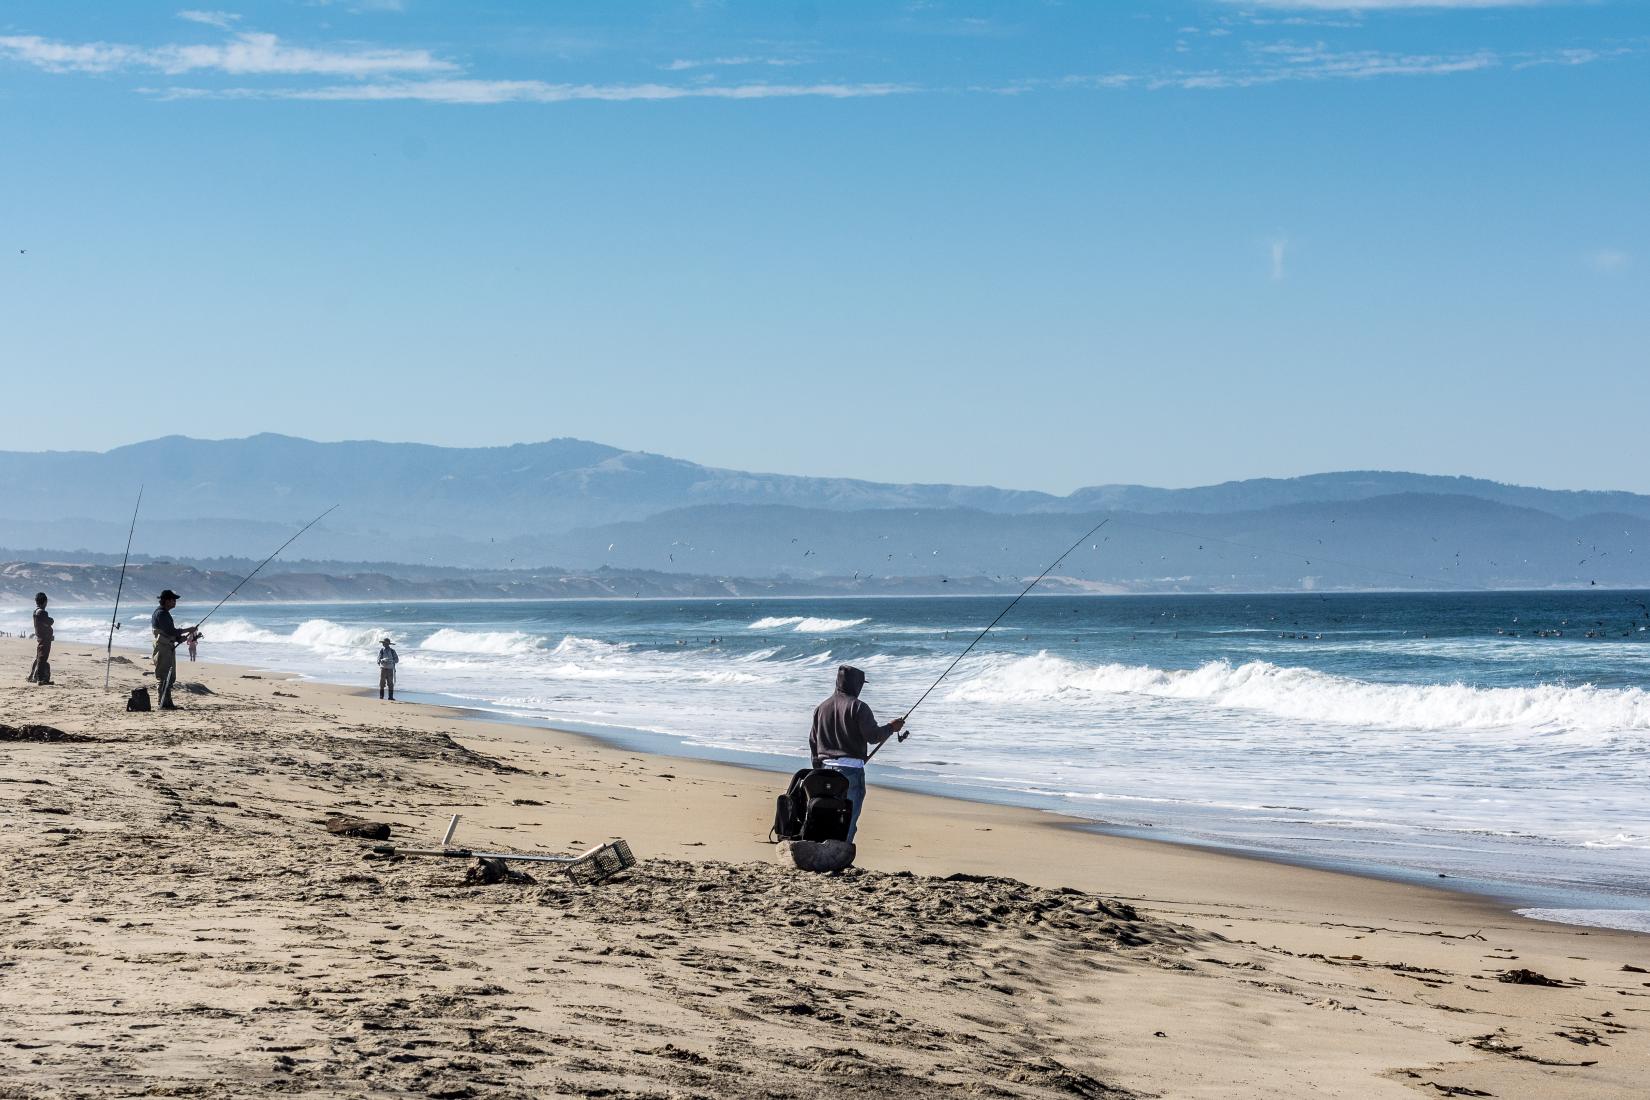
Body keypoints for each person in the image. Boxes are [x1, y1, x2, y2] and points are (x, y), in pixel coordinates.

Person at [807, 664, 904, 843]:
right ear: (855, 685)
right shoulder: (859, 707)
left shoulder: (821, 708)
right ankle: (840, 855)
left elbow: (813, 742)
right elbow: (873, 737)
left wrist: (818, 768)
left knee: (827, 814)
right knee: (848, 819)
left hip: (824, 771)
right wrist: (892, 727)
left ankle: (823, 850)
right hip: (850, 772)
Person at [151, 590, 197, 710]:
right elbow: (170, 631)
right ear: (166, 600)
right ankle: (162, 703)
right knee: (163, 675)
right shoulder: (161, 613)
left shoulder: (163, 613)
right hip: (163, 648)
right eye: (173, 600)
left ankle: (167, 703)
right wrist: (188, 630)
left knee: (169, 676)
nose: (175, 602)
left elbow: (168, 631)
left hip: (167, 646)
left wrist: (178, 639)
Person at [26, 592, 53, 685]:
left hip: (40, 637)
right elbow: (50, 621)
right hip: (44, 638)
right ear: (45, 602)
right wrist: (51, 621)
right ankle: (40, 679)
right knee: (42, 658)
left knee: (39, 657)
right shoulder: (42, 612)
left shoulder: (36, 611)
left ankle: (33, 676)